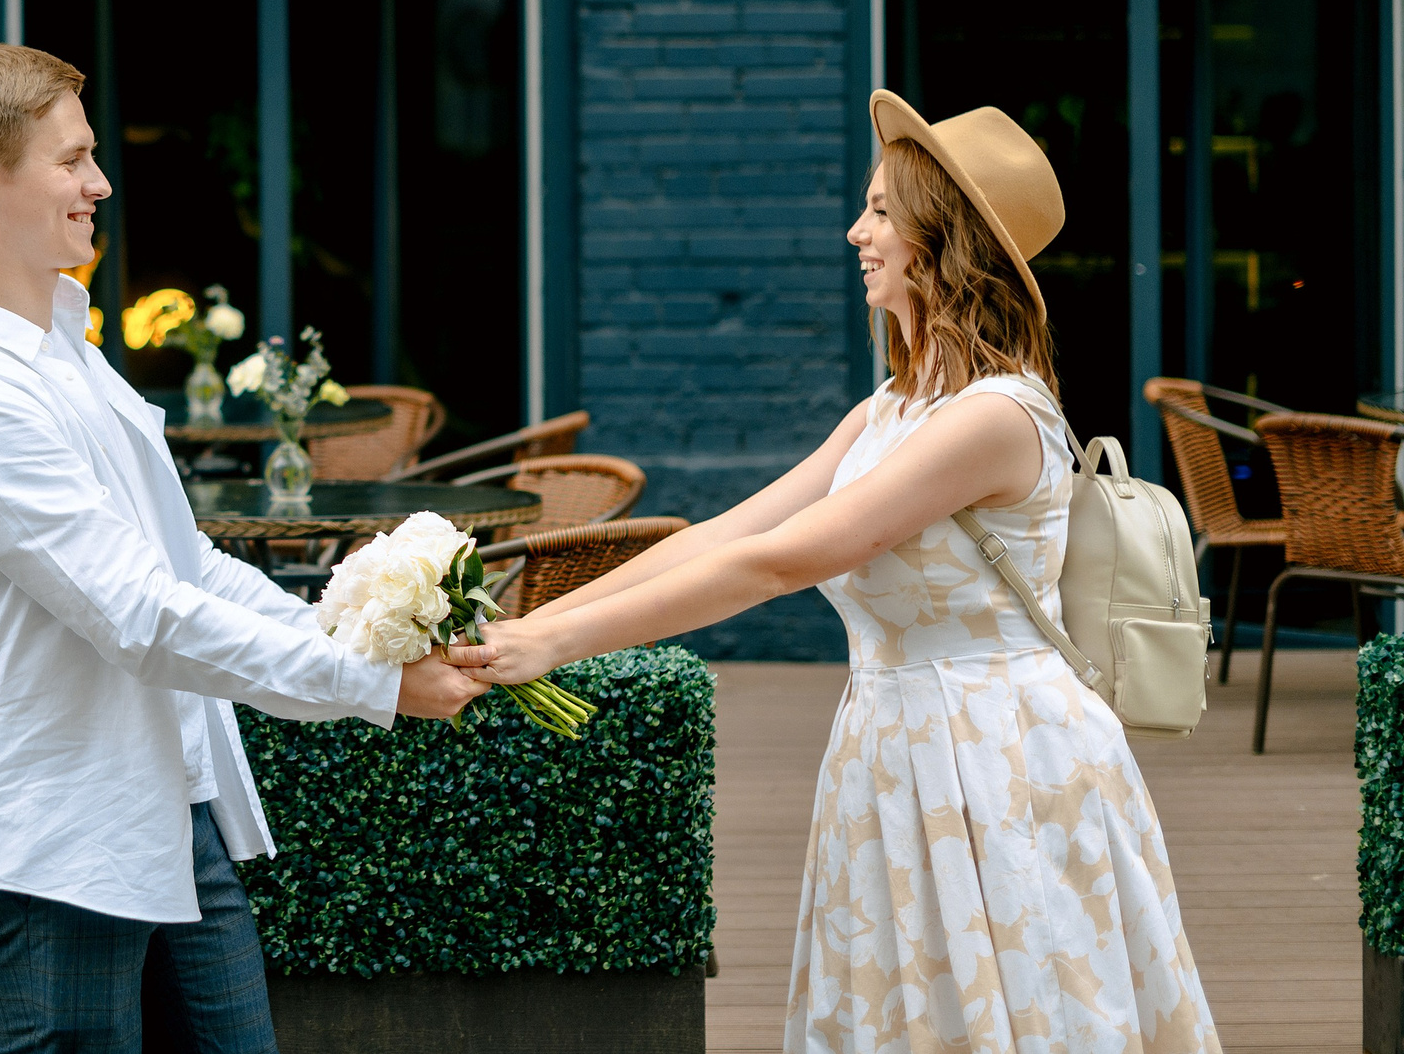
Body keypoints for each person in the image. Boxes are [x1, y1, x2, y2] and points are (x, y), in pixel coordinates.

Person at [448, 89, 1221, 1054]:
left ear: (944, 240)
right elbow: (719, 535)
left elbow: (781, 559)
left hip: (999, 757)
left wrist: (555, 642)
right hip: (896, 747)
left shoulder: (994, 416)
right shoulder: (890, 409)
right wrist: (524, 621)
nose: (858, 231)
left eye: (882, 211)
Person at [0, 42, 488, 1054]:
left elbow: (182, 564)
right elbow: (142, 613)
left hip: (167, 797)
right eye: (72, 159)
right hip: (55, 840)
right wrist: (370, 682)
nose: (100, 182)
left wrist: (354, 635)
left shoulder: (67, 352)